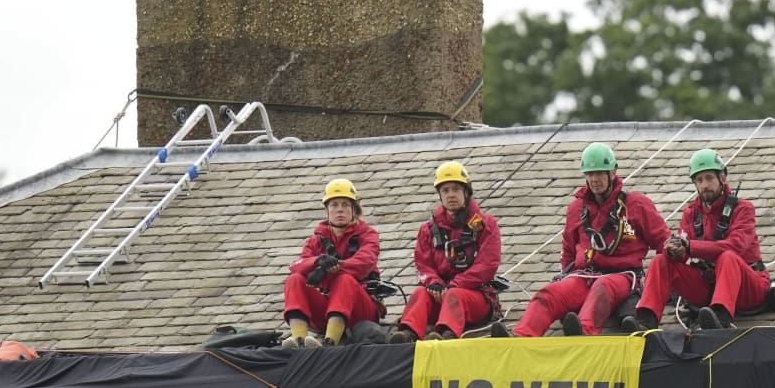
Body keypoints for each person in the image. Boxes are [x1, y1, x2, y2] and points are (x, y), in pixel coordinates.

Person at [493, 142, 669, 337]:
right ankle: (520, 336)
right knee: (549, 293)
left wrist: (660, 287)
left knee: (602, 287)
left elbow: (664, 242)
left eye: (600, 173)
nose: (594, 179)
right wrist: (564, 281)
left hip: (623, 277)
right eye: (590, 174)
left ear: (613, 173)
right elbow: (568, 251)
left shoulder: (636, 204)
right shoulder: (576, 209)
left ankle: (582, 333)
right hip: (584, 275)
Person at [625, 148, 770, 331]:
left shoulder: (743, 209)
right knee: (661, 260)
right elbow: (685, 253)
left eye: (709, 178)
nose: (704, 185)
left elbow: (736, 246)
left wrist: (690, 247)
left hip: (748, 287)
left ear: (722, 178)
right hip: (709, 285)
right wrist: (674, 251)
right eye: (699, 180)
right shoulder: (691, 213)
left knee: (728, 256)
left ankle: (720, 318)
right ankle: (646, 320)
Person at [388, 161, 502, 343]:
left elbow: (487, 266)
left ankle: (447, 335)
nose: (450, 195)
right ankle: (407, 334)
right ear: (440, 195)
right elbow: (422, 265)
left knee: (454, 295)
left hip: (476, 298)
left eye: (456, 189)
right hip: (441, 295)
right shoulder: (428, 229)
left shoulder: (485, 225)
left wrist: (454, 285)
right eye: (445, 190)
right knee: (420, 293)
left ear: (466, 191)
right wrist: (434, 283)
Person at [282, 178, 384, 347]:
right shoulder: (315, 241)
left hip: (361, 309)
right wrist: (318, 261)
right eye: (334, 205)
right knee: (294, 280)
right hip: (327, 307)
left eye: (345, 205)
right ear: (327, 210)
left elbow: (364, 262)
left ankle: (331, 342)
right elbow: (296, 265)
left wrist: (329, 269)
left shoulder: (368, 235)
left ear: (354, 209)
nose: (340, 210)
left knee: (344, 280)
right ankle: (299, 340)